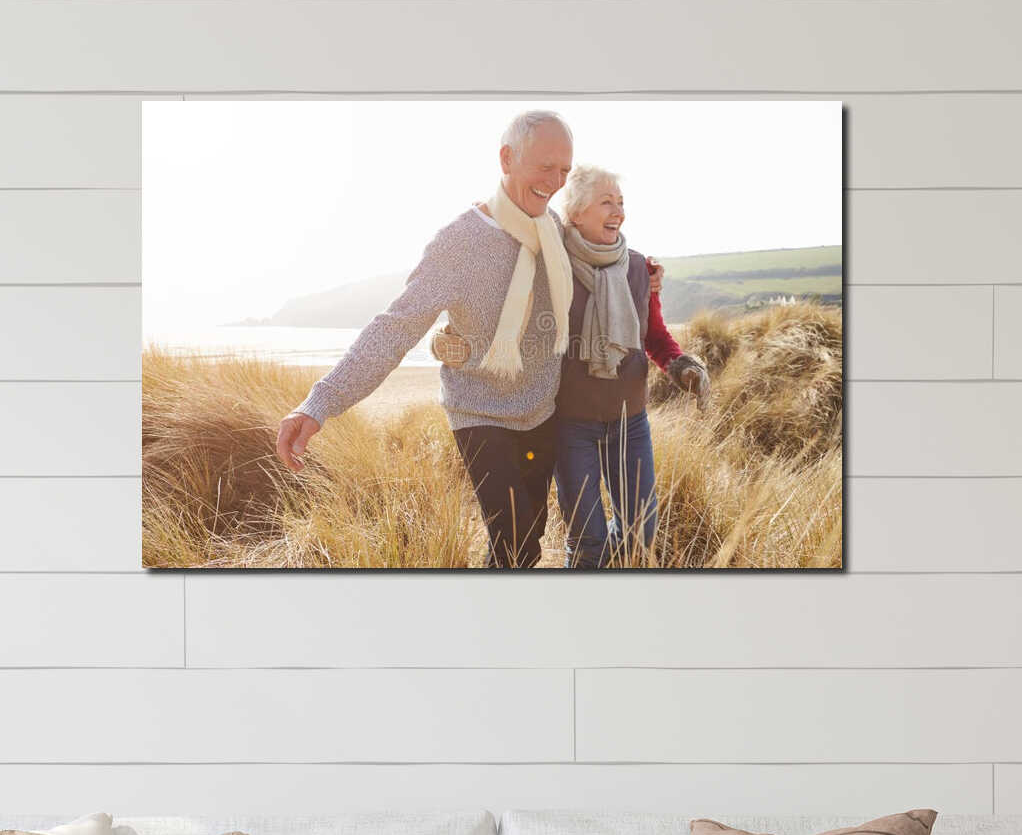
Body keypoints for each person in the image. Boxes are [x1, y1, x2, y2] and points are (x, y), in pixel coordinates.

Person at [274, 110, 578, 568]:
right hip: (479, 411)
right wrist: (320, 402)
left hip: (542, 409)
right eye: (545, 167)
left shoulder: (552, 227)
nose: (555, 181)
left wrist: (644, 277)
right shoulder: (458, 242)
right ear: (507, 158)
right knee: (514, 538)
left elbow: (597, 263)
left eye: (564, 171)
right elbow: (396, 326)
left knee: (528, 540)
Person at [546, 164, 708, 568]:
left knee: (640, 530)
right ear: (576, 213)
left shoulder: (638, 268)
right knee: (588, 541)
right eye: (606, 202)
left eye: (620, 202)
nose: (618, 210)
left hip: (630, 422)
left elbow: (653, 337)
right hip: (571, 426)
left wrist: (680, 365)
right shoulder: (552, 268)